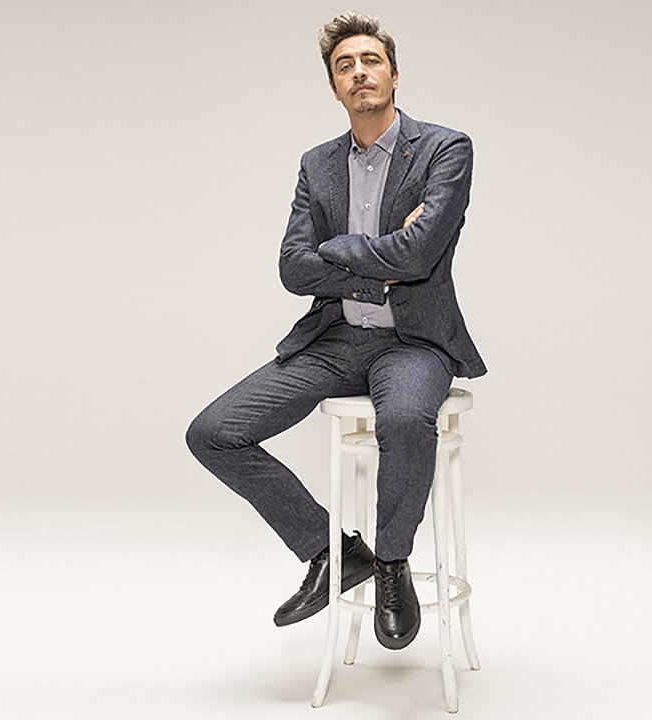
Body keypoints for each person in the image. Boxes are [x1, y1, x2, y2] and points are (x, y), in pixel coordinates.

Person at [184, 11, 486, 650]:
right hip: (337, 337)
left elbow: (419, 255)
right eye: (345, 65)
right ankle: (336, 553)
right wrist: (378, 263)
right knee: (213, 434)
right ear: (334, 86)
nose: (359, 72)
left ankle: (392, 564)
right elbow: (294, 269)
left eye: (371, 61)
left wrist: (340, 250)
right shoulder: (317, 164)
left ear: (394, 75)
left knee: (403, 420)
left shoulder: (445, 148)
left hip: (415, 340)